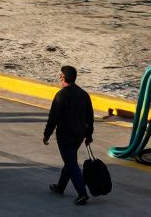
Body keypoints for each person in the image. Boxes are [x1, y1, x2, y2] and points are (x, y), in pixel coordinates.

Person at [44, 65, 95, 205]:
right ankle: (60, 187)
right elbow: (90, 117)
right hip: (79, 135)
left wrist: (47, 134)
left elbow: (53, 118)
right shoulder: (84, 94)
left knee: (71, 162)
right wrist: (89, 135)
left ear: (63, 77)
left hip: (65, 136)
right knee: (70, 159)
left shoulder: (61, 95)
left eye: (60, 75)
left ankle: (82, 193)